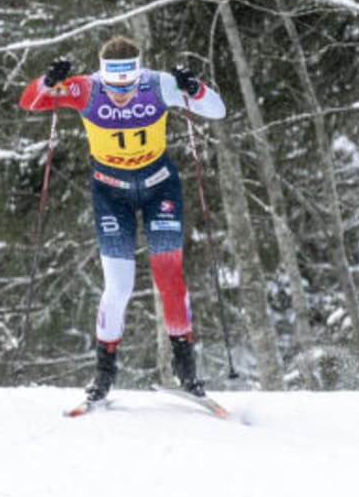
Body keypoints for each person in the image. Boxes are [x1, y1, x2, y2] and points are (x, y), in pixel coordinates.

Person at [18, 34, 227, 402]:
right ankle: (103, 373)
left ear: (138, 74)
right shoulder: (85, 89)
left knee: (169, 279)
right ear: (103, 77)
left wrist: (194, 88)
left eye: (128, 87)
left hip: (160, 188)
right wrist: (47, 82)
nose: (121, 95)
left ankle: (186, 369)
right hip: (110, 193)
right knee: (119, 286)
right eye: (114, 88)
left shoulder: (159, 84)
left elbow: (217, 110)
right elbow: (30, 102)